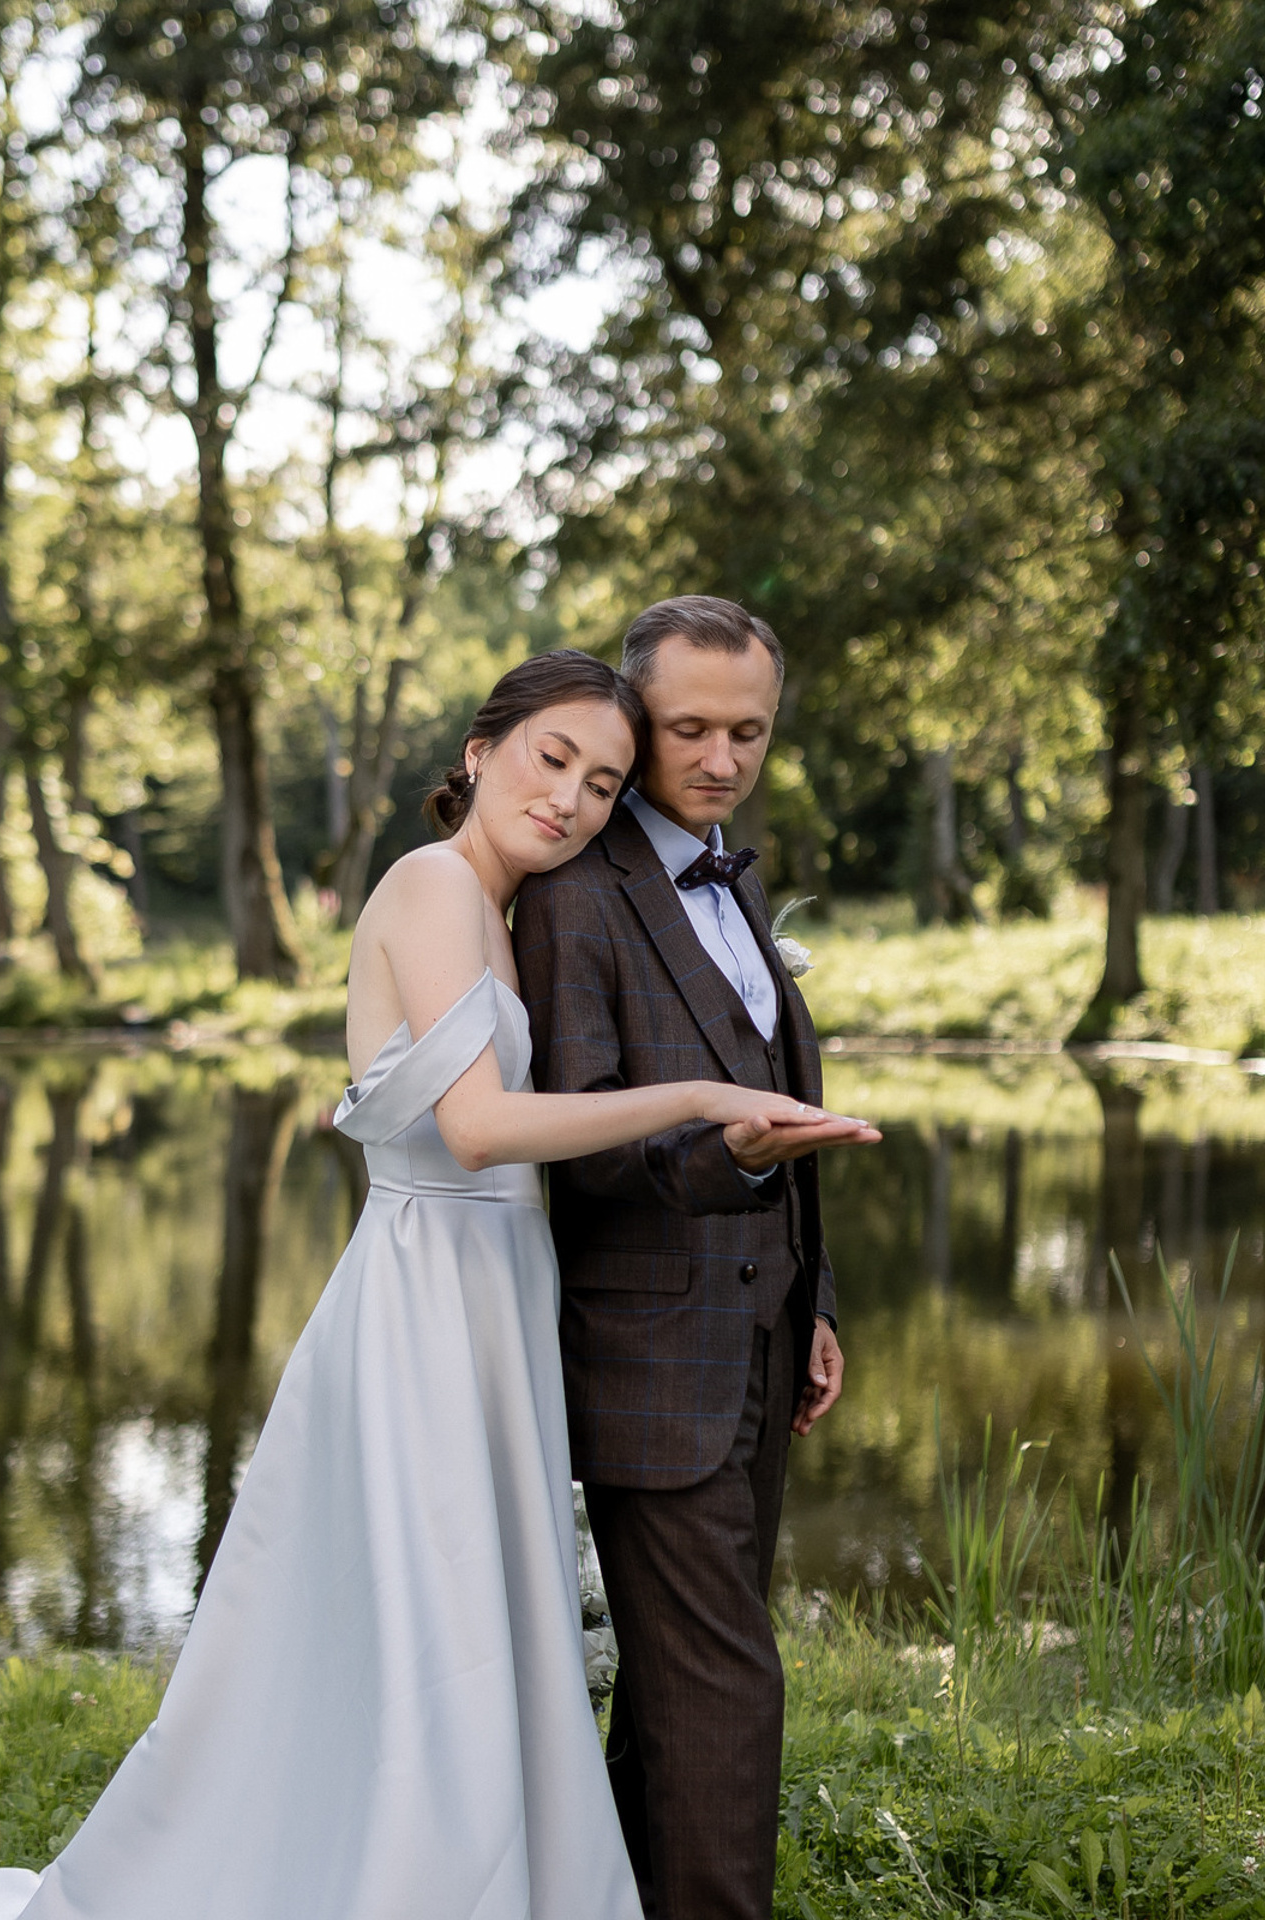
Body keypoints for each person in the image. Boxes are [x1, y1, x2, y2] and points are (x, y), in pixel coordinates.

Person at [0, 648, 874, 1920]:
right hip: (426, 1293)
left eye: (602, 781)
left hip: (499, 1289)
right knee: (436, 1616)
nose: (571, 799)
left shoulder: (508, 909)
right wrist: (701, 1095)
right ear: (479, 750)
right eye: (551, 759)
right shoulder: (426, 887)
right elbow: (474, 1128)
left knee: (486, 1611)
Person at [513, 598, 873, 1920]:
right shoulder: (578, 894)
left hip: (763, 1341)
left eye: (748, 732)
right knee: (729, 1686)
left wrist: (815, 1299)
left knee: (680, 1694)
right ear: (635, 719)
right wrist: (736, 1154)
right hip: (650, 1357)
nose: (720, 759)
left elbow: (781, 1087)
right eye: (688, 730)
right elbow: (578, 1147)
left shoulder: (732, 871)